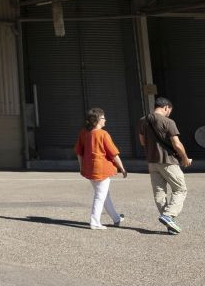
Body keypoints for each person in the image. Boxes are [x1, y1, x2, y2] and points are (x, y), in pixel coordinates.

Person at [138, 96, 192, 234]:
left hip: (152, 162)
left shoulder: (143, 120)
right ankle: (168, 216)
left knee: (159, 193)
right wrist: (185, 158)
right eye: (169, 110)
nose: (169, 113)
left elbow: (142, 142)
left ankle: (170, 224)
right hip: (168, 161)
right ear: (166, 107)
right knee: (180, 189)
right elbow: (176, 144)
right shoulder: (168, 122)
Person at [75, 107, 127, 229]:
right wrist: (122, 168)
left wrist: (81, 167)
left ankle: (116, 218)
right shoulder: (103, 134)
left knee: (104, 195)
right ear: (97, 120)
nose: (105, 119)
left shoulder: (84, 133)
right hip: (101, 169)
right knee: (100, 196)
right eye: (103, 117)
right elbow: (114, 154)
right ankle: (94, 222)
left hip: (89, 169)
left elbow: (79, 153)